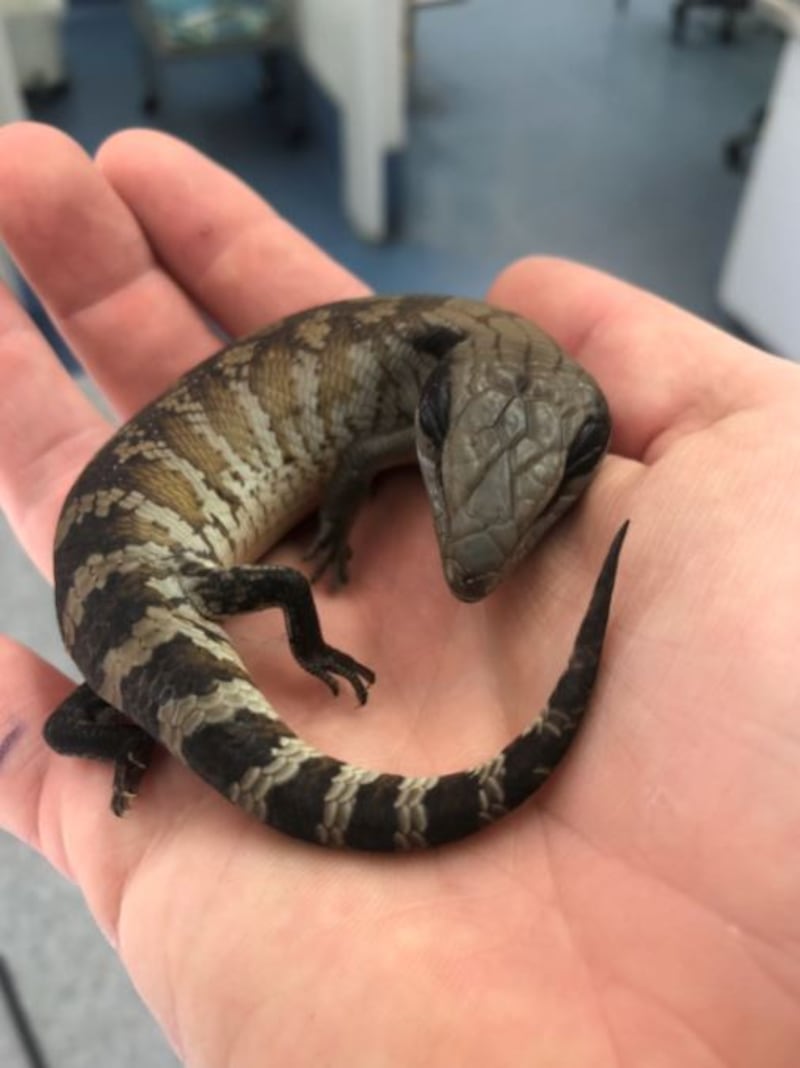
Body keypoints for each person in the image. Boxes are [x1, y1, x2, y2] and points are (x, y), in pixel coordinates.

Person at [0, 122, 798, 1065]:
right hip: (166, 536)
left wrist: (148, 730)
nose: (465, 574)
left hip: (145, 544)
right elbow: (363, 456)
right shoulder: (435, 396)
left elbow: (82, 721)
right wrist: (318, 584)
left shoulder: (472, 396)